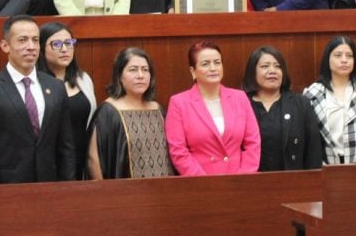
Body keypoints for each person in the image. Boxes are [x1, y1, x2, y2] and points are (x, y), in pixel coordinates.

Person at [0, 16, 77, 209]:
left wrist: (67, 192)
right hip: (7, 195)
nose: (31, 46)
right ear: (5, 46)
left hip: (50, 193)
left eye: (35, 40)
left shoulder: (56, 87)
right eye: (22, 40)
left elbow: (65, 147)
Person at [165, 41, 261, 175]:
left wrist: (243, 177)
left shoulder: (240, 97)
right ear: (193, 71)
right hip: (200, 185)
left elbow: (253, 142)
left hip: (241, 183)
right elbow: (178, 151)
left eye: (217, 62)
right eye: (205, 64)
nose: (213, 68)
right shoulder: (179, 103)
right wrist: (206, 183)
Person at [86, 47, 174, 179]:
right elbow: (94, 159)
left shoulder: (157, 109)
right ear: (119, 76)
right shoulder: (109, 111)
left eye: (145, 70)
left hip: (164, 192)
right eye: (133, 70)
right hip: (126, 195)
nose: (140, 75)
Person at [303, 37, 356, 164]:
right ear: (327, 59)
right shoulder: (312, 94)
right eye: (338, 55)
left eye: (349, 56)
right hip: (324, 169)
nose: (344, 60)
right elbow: (308, 140)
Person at [241, 46, 322, 171]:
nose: (272, 70)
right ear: (253, 72)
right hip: (249, 183)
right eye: (265, 66)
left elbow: (313, 151)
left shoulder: (300, 104)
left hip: (293, 184)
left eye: (277, 66)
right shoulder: (241, 104)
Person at [38, 21, 97, 180]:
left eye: (69, 43)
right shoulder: (36, 83)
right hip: (49, 161)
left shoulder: (83, 79)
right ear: (42, 48)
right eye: (56, 44)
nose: (64, 49)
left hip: (82, 157)